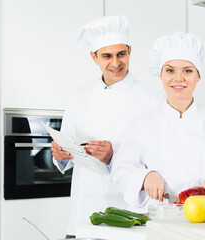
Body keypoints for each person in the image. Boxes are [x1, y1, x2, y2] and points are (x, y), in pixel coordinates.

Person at [112, 31, 205, 213]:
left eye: (188, 71)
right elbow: (121, 173)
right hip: (155, 218)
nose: (178, 78)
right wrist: (145, 177)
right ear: (160, 75)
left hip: (204, 216)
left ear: (198, 76)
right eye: (170, 70)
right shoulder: (140, 125)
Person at [51, 15, 160, 237]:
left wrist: (114, 156)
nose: (116, 63)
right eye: (107, 56)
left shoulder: (149, 102)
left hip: (124, 217)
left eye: (121, 54)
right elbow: (68, 147)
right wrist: (60, 154)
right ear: (94, 57)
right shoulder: (78, 97)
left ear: (130, 51)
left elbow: (158, 166)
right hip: (81, 215)